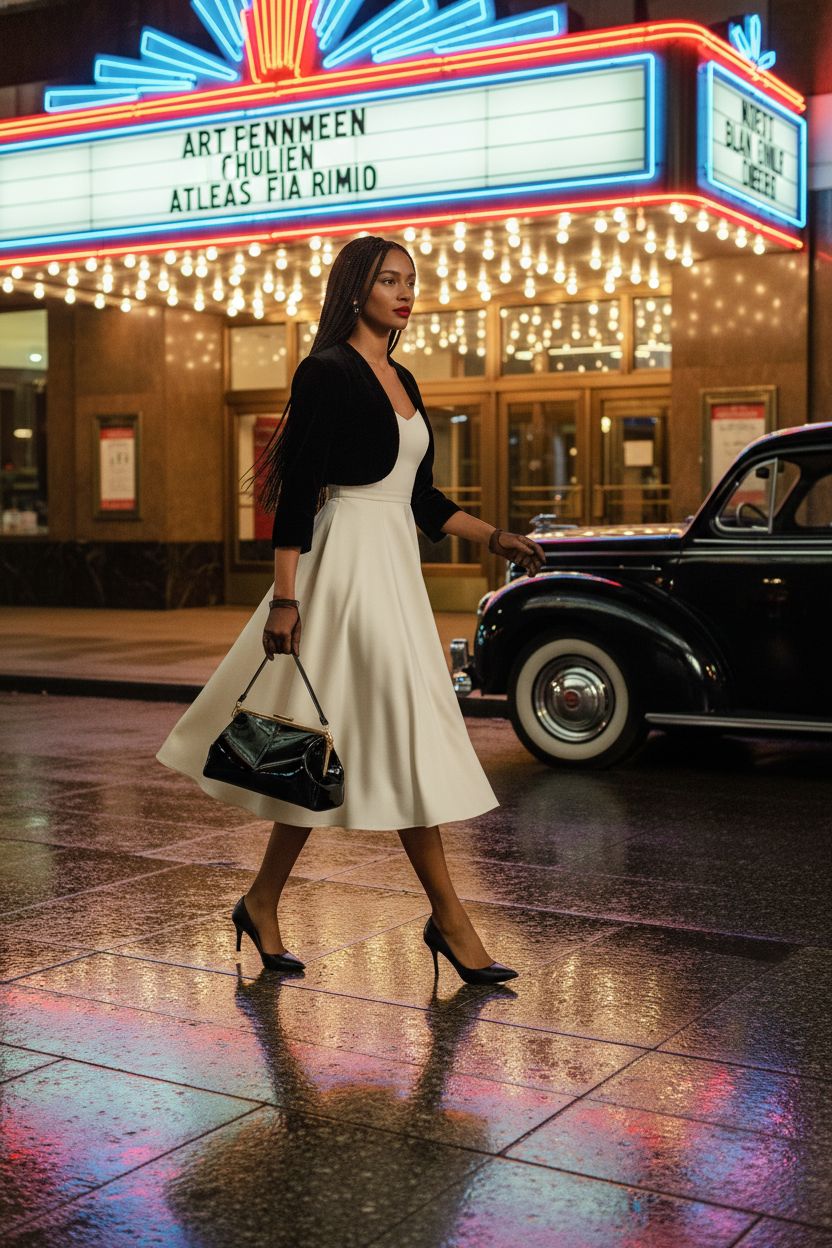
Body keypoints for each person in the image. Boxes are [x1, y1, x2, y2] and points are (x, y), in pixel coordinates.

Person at [156, 234, 545, 985]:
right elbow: (297, 491)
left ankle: (262, 900)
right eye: (389, 280)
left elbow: (420, 498)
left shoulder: (404, 378)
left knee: (328, 746)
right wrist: (286, 597)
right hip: (342, 572)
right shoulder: (326, 371)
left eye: (410, 281)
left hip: (394, 573)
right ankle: (450, 919)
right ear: (355, 289)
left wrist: (495, 537)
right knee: (390, 729)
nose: (405, 293)